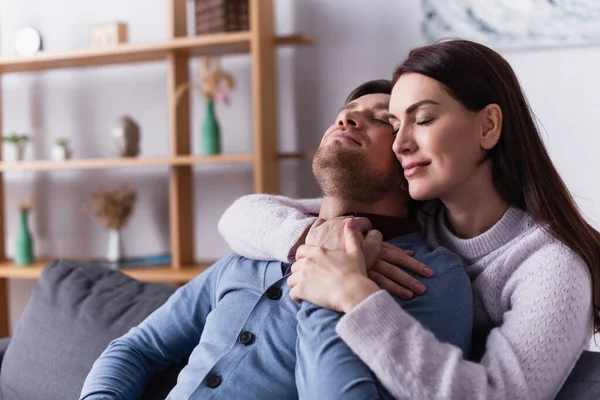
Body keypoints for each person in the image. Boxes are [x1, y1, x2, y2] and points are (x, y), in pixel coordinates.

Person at [218, 40, 600, 400]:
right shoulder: (418, 216)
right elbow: (245, 215)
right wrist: (313, 240)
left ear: (488, 126)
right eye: (396, 125)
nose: (399, 143)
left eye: (424, 119)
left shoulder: (552, 268)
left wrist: (353, 293)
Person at [79, 80, 473, 400]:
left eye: (380, 119)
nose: (348, 118)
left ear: (408, 156)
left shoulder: (430, 278)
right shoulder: (254, 251)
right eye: (344, 113)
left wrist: (330, 287)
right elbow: (134, 349)